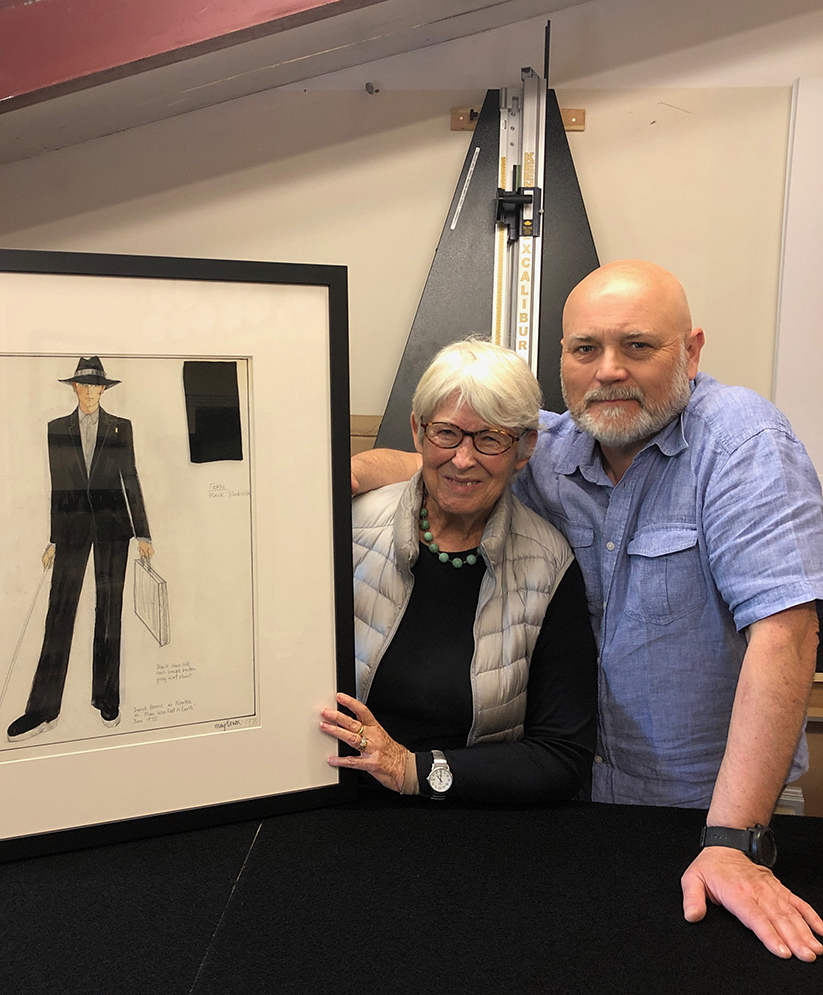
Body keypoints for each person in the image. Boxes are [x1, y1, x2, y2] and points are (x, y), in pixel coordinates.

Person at [350, 260, 823, 961]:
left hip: (708, 815)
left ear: (690, 352)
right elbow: (458, 458)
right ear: (563, 360)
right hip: (582, 807)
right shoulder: (556, 443)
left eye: (638, 346)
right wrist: (345, 473)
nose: (608, 370)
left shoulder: (742, 443)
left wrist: (731, 842)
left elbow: (787, 636)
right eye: (585, 349)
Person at [320, 338, 597, 804]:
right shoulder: (348, 529)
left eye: (490, 439)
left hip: (473, 820)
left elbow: (562, 754)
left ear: (524, 449)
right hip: (329, 799)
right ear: (418, 431)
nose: (463, 459)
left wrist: (412, 769)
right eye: (447, 433)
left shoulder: (549, 564)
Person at [7, 356, 154, 742]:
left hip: (113, 527)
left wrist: (143, 533)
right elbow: (59, 486)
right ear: (74, 388)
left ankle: (106, 698)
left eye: (96, 387)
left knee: (109, 613)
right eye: (83, 386)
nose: (89, 393)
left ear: (105, 390)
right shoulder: (57, 428)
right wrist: (54, 538)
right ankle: (42, 710)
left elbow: (131, 478)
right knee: (59, 612)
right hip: (71, 528)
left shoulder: (121, 427)